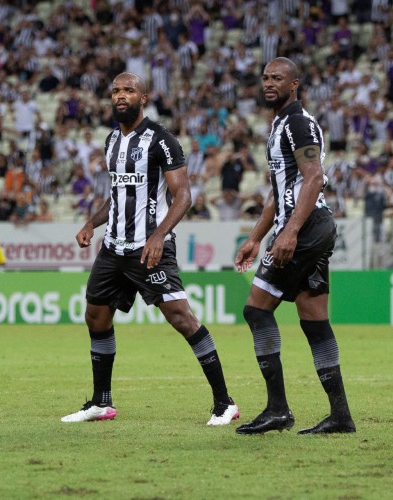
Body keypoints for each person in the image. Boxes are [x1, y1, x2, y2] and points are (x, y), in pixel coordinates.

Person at [61, 72, 239, 427]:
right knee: (95, 316)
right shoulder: (112, 141)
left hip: (149, 248)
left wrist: (159, 236)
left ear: (143, 97)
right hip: (113, 248)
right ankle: (101, 403)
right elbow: (117, 196)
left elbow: (184, 196)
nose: (120, 96)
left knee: (181, 318)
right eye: (115, 91)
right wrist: (90, 224)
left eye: (128, 90)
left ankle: (225, 403)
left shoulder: (162, 140)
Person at [233, 57, 355, 435]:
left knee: (256, 310)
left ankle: (278, 409)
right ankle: (340, 416)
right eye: (266, 78)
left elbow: (314, 178)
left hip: (305, 228)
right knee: (314, 321)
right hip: (305, 227)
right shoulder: (279, 125)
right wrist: (255, 237)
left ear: (295, 84)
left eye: (278, 79)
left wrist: (289, 233)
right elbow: (279, 191)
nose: (269, 84)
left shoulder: (298, 123)